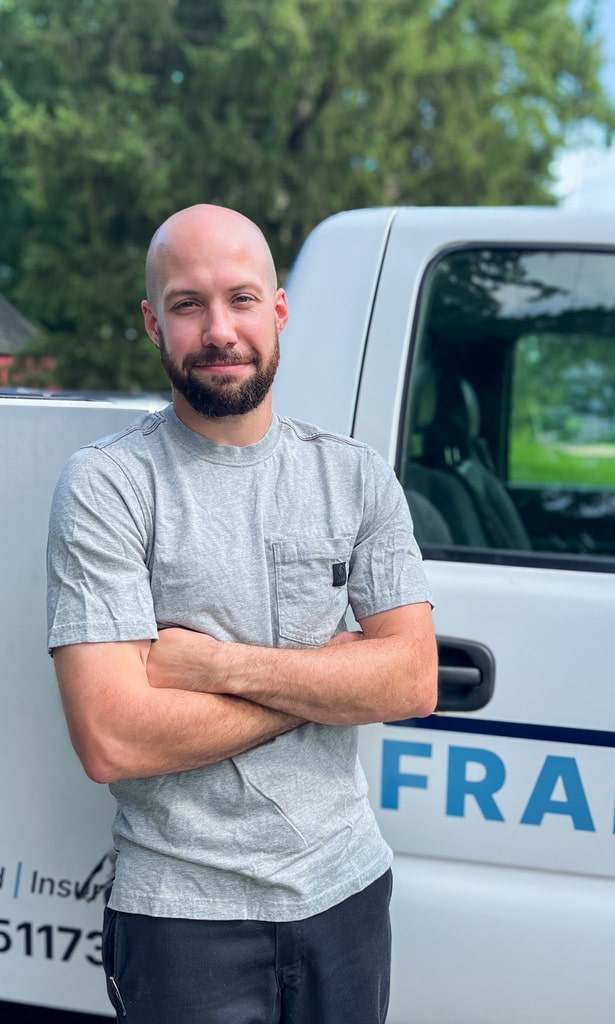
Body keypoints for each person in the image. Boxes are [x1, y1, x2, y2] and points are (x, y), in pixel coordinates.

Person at [46, 203, 437, 1024]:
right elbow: (113, 738)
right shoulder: (111, 486)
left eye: (242, 299)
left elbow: (411, 678)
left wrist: (216, 667)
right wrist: (329, 678)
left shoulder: (355, 476)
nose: (219, 329)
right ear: (154, 324)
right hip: (182, 917)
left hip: (346, 892)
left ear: (280, 309)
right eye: (188, 305)